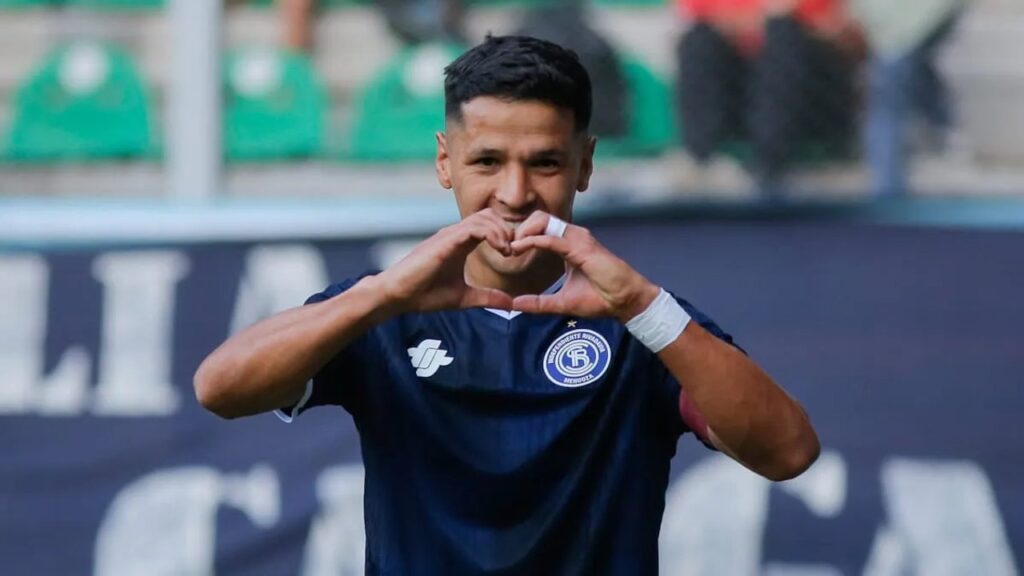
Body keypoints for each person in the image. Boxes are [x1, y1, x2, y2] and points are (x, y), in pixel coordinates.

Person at [195, 35, 820, 574]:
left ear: (584, 165)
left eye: (544, 163)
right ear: (445, 162)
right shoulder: (384, 310)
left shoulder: (641, 319)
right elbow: (219, 388)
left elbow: (789, 453)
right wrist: (380, 296)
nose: (515, 194)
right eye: (487, 162)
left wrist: (641, 306)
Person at [676, 0, 862, 192]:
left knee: (784, 37)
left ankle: (769, 165)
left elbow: (834, 28)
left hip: (812, 85)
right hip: (745, 77)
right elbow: (704, 18)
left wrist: (768, 22)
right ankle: (702, 160)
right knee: (699, 41)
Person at [852, 0, 965, 197]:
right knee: (896, 89)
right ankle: (942, 127)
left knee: (887, 107)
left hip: (902, 29)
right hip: (896, 29)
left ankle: (888, 189)